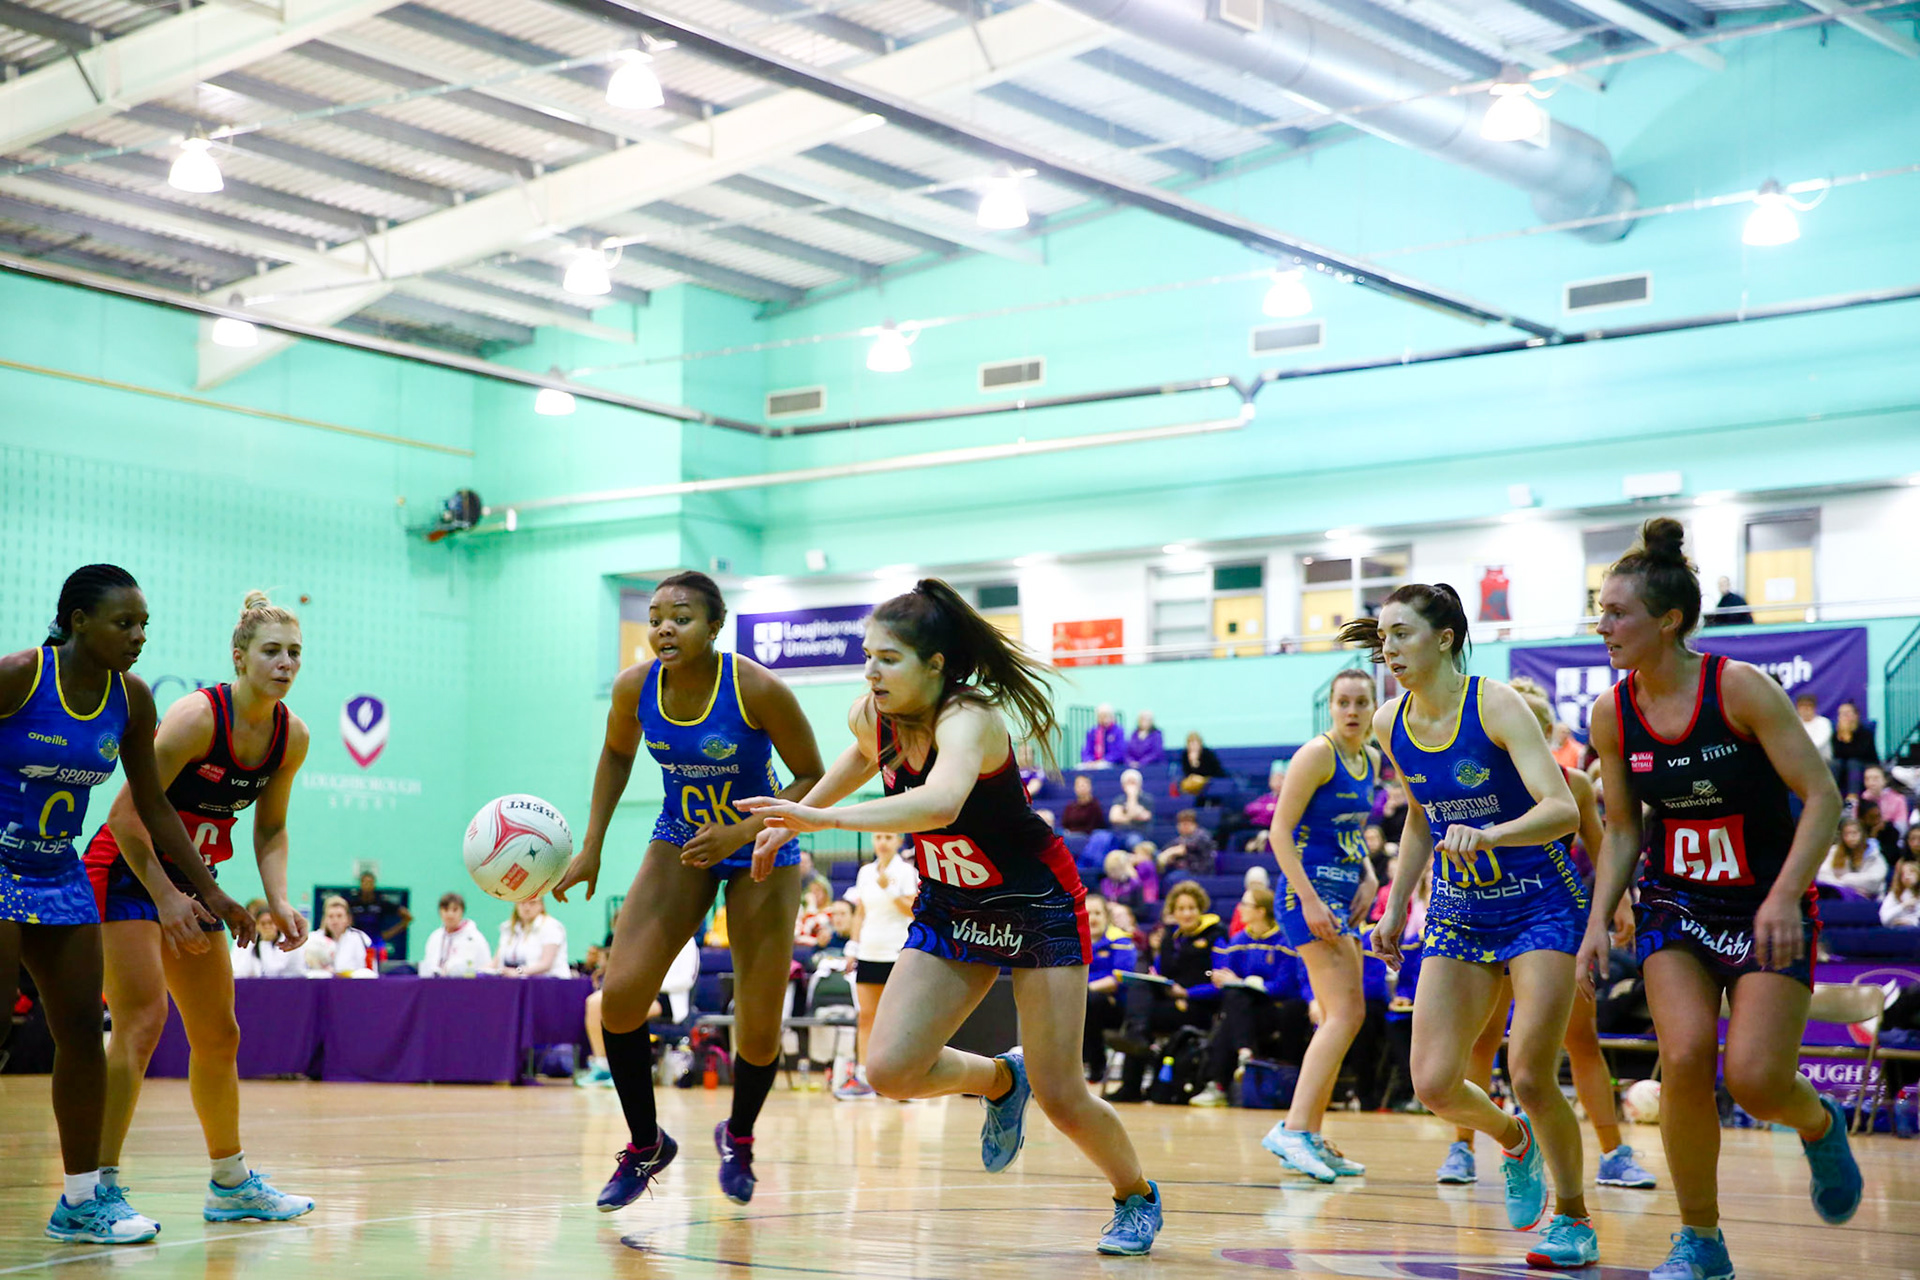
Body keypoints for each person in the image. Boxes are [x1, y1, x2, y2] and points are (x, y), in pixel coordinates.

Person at [740, 579, 1164, 1255]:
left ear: (935, 665)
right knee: (890, 1070)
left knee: (1062, 1096)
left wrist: (820, 817)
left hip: (1036, 903)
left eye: (889, 658)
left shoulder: (970, 720)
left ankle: (1135, 1195)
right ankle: (1000, 1078)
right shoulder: (872, 713)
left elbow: (939, 803)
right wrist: (797, 818)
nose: (871, 670)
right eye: (867, 655)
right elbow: (861, 754)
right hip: (952, 902)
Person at [1576, 518, 1858, 1280]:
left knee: (1758, 1080)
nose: (1603, 625)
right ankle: (1701, 1239)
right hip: (1678, 906)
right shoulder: (1612, 713)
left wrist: (1784, 896)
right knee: (1686, 1057)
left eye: (1617, 612)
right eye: (1598, 611)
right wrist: (1600, 918)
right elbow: (1624, 829)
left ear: (1668, 620)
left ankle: (1820, 1122)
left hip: (1766, 902)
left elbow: (1823, 797)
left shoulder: (1737, 687)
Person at [1, 566, 263, 1246]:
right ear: (78, 620)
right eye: (125, 623)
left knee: (85, 1036)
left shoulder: (133, 699)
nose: (139, 636)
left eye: (144, 624)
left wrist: (211, 891)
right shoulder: (20, 676)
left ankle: (82, 1201)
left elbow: (152, 804)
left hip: (56, 870)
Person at [553, 572, 826, 1211]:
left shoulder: (755, 686)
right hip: (681, 836)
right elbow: (617, 755)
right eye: (654, 618)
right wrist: (591, 844)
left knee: (758, 1032)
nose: (664, 629)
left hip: (762, 842)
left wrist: (742, 830)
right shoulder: (634, 687)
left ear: (714, 626)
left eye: (680, 617)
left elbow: (813, 775)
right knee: (617, 1001)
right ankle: (645, 1144)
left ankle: (739, 1136)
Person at [1352, 583, 1598, 1270]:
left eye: (1401, 633)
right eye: (1382, 637)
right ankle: (1513, 1141)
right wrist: (1397, 904)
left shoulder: (1495, 703)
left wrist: (1489, 834)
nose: (1388, 648)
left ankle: (1574, 1218)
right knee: (1432, 1083)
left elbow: (1562, 810)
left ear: (1445, 638)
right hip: (1460, 907)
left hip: (1539, 901)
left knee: (1529, 1072)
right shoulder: (1387, 722)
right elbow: (1418, 817)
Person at [85, 592, 316, 1226]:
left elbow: (270, 831)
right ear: (240, 658)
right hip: (128, 871)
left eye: (295, 653)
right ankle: (94, 1189)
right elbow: (124, 816)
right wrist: (163, 895)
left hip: (195, 882)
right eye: (272, 651)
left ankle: (231, 1183)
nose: (285, 663)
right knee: (141, 1023)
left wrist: (280, 901)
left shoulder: (289, 736)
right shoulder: (195, 718)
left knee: (219, 1033)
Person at [1437, 679, 1654, 1193]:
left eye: (1536, 727)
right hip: (1490, 921)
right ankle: (1462, 1147)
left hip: (1553, 921)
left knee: (1581, 1039)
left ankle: (1614, 1153)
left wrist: (1619, 902)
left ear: (1548, 734)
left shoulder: (1573, 784)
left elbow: (1603, 848)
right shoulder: (1475, 785)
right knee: (1483, 1039)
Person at [1258, 668, 1380, 1179]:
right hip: (1307, 894)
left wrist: (1370, 876)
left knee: (1339, 1016)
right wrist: (1309, 901)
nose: (1352, 711)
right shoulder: (1317, 754)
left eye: (1361, 702)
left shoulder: (1371, 759)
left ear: (1374, 707)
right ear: (1330, 707)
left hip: (1343, 892)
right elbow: (1279, 833)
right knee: (1346, 1015)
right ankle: (1292, 1130)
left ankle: (1309, 1133)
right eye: (1343, 702)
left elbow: (1350, 833)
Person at [1192, 887, 1311, 1108]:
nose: (1240, 909)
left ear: (1261, 911)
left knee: (1232, 1014)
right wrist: (1224, 979)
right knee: (1234, 999)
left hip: (1275, 1009)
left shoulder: (1284, 942)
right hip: (1246, 1010)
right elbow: (1230, 980)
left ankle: (1217, 1084)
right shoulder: (1238, 940)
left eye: (1246, 904)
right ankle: (1244, 1052)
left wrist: (1248, 982)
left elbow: (1285, 985)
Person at [1108, 881, 1226, 1103]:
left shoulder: (1215, 937)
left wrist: (1188, 994)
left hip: (1198, 1007)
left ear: (1200, 909)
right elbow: (1160, 973)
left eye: (1191, 908)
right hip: (1170, 1002)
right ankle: (1137, 1044)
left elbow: (1220, 985)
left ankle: (1135, 1057)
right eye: (1181, 909)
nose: (1187, 913)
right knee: (1140, 987)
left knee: (1139, 1019)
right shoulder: (1169, 940)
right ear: (1173, 912)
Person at [837, 831, 919, 1100]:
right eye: (878, 837)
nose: (882, 842)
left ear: (898, 841)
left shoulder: (906, 872)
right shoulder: (865, 873)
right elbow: (861, 913)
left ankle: (903, 1078)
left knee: (899, 1018)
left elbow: (913, 909)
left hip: (897, 952)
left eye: (888, 837)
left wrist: (891, 889)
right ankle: (863, 1077)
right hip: (870, 951)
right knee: (866, 1016)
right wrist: (853, 948)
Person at [1083, 894, 1137, 1082]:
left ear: (1106, 916)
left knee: (1091, 1001)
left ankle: (1095, 1063)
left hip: (1115, 1007)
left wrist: (1087, 988)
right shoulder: (1074, 942)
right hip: (1078, 1001)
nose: (1093, 918)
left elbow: (1120, 978)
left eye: (1098, 913)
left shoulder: (1121, 941)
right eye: (1088, 913)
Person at [418, 892, 492, 977]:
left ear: (462, 911)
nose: (450, 915)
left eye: (455, 910)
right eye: (446, 910)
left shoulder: (474, 938)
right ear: (440, 912)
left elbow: (485, 969)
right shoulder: (435, 937)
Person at [496, 897, 570, 976]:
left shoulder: (551, 926)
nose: (527, 908)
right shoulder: (508, 927)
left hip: (551, 982)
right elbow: (496, 962)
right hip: (516, 983)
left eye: (532, 903)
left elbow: (546, 964)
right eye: (522, 903)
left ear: (541, 905)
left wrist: (518, 972)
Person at [349, 870, 411, 962]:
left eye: (370, 882)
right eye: (364, 882)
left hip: (376, 944)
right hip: (357, 943)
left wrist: (388, 934)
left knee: (379, 971)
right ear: (360, 884)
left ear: (374, 884)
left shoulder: (381, 903)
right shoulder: (353, 903)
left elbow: (408, 917)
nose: (367, 885)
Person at [1817, 818, 1887, 899]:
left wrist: (1846, 879)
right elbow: (1822, 875)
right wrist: (1841, 886)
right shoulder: (1834, 851)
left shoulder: (1874, 855)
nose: (1851, 837)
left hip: (1870, 899)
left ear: (1862, 834)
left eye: (1854, 833)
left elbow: (1874, 880)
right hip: (1842, 895)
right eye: (1847, 834)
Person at [231, 908, 308, 978]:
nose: (267, 927)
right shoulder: (253, 941)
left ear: (278, 924)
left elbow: (272, 971)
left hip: (295, 984)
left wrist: (265, 942)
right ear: (257, 926)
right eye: (263, 924)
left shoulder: (288, 939)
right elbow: (240, 970)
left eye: (270, 923)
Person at [1829, 701, 1879, 800]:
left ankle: (1852, 797)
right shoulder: (1836, 734)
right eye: (1841, 714)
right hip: (1844, 767)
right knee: (1835, 763)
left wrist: (1848, 738)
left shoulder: (1865, 732)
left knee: (1853, 762)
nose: (1844, 717)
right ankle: (1831, 796)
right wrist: (1842, 737)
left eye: (1847, 713)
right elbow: (1837, 754)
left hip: (1865, 764)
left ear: (1856, 715)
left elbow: (1859, 753)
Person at [314, 895, 374, 976]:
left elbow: (371, 970)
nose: (335, 921)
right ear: (325, 919)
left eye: (339, 916)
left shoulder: (360, 938)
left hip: (353, 985)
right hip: (322, 985)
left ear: (348, 919)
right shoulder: (314, 939)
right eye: (330, 916)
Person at [1156, 809, 1216, 877]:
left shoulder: (1203, 836)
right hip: (1181, 870)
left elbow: (1183, 849)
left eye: (1187, 824)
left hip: (1198, 872)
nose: (1184, 827)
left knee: (1173, 878)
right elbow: (1165, 849)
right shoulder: (1179, 839)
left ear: (1195, 825)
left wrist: (1168, 854)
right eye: (1181, 824)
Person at [1242, 764, 1287, 852]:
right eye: (1275, 779)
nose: (1278, 783)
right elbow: (1249, 809)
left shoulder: (1287, 799)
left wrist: (1264, 810)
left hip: (1275, 828)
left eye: (1281, 779)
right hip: (1257, 826)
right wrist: (1267, 808)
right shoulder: (1265, 798)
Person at [1107, 769, 1154, 849]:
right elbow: (1114, 818)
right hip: (1119, 833)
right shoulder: (1119, 799)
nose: (1131, 786)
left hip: (1138, 834)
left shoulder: (1147, 799)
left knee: (1133, 841)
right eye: (1128, 783)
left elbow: (1145, 816)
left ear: (1139, 784)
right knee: (1100, 837)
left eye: (1133, 783)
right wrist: (1133, 816)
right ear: (1123, 786)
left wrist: (1132, 796)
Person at [1861, 765, 1908, 834]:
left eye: (1875, 779)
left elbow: (1901, 827)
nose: (1871, 783)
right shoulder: (1862, 799)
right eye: (1867, 779)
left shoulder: (1898, 799)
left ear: (1884, 780)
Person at [1177, 731, 1225, 798]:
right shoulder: (1185, 755)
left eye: (1195, 743)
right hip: (1193, 780)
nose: (1193, 746)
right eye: (1190, 744)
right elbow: (1186, 772)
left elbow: (1213, 771)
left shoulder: (1207, 754)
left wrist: (1197, 763)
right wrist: (1193, 764)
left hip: (1209, 778)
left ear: (1200, 744)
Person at [1226, 867, 1272, 935]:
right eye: (1252, 884)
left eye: (1259, 884)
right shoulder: (1242, 908)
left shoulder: (1272, 904)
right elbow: (1234, 932)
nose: (1255, 888)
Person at [1882, 858, 1920, 928]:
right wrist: (1903, 906)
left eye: (1911, 872)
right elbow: (1884, 918)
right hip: (1898, 931)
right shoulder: (1894, 894)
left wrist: (1912, 922)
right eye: (1903, 874)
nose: (1906, 876)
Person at [794, 879, 833, 946]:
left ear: (826, 894)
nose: (814, 894)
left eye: (817, 891)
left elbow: (810, 926)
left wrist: (812, 904)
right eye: (812, 891)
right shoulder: (804, 911)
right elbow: (797, 932)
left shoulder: (830, 910)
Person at [1796, 694, 1834, 762]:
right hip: (1799, 759)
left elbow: (1820, 741)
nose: (1805, 710)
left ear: (1814, 708)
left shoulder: (1824, 722)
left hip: (1822, 760)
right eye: (1802, 707)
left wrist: (1803, 751)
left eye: (1808, 707)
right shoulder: (1795, 723)